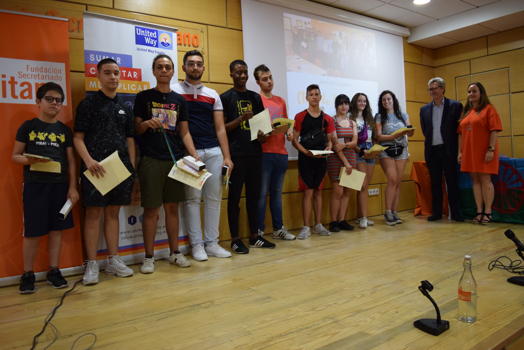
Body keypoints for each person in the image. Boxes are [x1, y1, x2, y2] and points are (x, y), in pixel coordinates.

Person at [12, 82, 79, 294]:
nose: (54, 103)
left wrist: (73, 187)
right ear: (38, 101)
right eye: (49, 99)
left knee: (56, 230)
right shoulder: (28, 126)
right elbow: (15, 156)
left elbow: (71, 161)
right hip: (35, 186)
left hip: (59, 187)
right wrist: (29, 160)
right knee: (32, 232)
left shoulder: (64, 130)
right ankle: (28, 273)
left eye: (58, 100)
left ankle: (54, 270)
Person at [134, 54, 199, 273]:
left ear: (173, 72)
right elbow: (135, 130)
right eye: (160, 67)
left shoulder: (179, 100)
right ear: (154, 71)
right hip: (151, 160)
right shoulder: (143, 97)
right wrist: (145, 124)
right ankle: (149, 257)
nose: (164, 70)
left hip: (175, 160)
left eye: (167, 67)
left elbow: (184, 132)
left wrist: (194, 154)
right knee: (151, 210)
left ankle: (175, 253)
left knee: (173, 208)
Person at [74, 58, 135, 285]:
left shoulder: (125, 107)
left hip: (119, 171)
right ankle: (91, 263)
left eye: (116, 73)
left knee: (113, 214)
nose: (113, 77)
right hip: (95, 170)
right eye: (108, 73)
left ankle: (113, 259)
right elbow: (78, 138)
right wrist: (89, 161)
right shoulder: (88, 104)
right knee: (93, 215)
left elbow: (130, 139)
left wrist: (131, 167)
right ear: (97, 75)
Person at [174, 50, 234, 261]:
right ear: (184, 67)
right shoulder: (175, 92)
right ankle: (196, 245)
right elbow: (181, 129)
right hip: (190, 155)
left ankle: (212, 243)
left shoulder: (212, 94)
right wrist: (192, 154)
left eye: (199, 64)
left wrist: (227, 156)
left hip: (214, 152)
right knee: (192, 200)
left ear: (203, 68)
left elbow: (220, 129)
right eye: (191, 64)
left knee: (213, 199)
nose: (195, 67)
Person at [221, 59, 276, 254]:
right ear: (231, 74)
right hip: (235, 156)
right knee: (234, 198)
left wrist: (264, 135)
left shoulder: (255, 97)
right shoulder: (225, 98)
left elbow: (263, 128)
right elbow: (222, 129)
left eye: (244, 72)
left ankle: (255, 236)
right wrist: (240, 119)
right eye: (238, 72)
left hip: (255, 154)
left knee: (255, 197)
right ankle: (235, 239)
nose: (242, 76)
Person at [253, 64, 295, 240]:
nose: (269, 81)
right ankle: (260, 231)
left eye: (270, 77)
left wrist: (289, 131)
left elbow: (287, 124)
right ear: (257, 82)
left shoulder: (280, 101)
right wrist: (265, 131)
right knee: (262, 194)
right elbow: (255, 131)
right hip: (264, 152)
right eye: (264, 79)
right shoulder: (256, 100)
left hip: (281, 153)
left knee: (277, 194)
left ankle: (278, 228)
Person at [292, 84, 336, 239]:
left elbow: (330, 141)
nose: (314, 97)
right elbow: (295, 140)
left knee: (318, 191)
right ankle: (306, 227)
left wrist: (327, 149)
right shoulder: (300, 116)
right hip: (306, 159)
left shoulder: (328, 119)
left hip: (321, 160)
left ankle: (318, 224)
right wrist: (306, 152)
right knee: (308, 192)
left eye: (317, 94)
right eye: (311, 94)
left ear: (321, 97)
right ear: (306, 97)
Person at [458, 82, 502, 224]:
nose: (471, 94)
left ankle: (488, 212)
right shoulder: (466, 112)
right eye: (469, 91)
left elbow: (494, 130)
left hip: (485, 151)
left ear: (481, 93)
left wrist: (491, 149)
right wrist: (460, 152)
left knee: (485, 180)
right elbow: (460, 134)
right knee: (475, 181)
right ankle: (479, 211)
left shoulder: (489, 110)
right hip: (469, 152)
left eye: (474, 91)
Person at [420, 77, 463, 222]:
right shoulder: (424, 109)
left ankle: (456, 213)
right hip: (432, 151)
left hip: (449, 150)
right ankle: (437, 213)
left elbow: (459, 130)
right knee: (435, 183)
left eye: (435, 88)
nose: (432, 91)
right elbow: (425, 130)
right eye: (430, 89)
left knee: (452, 182)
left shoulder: (455, 106)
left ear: (443, 89)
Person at [375, 90, 414, 226]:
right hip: (386, 150)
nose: (386, 102)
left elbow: (410, 132)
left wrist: (410, 131)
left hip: (401, 150)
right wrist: (393, 136)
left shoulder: (403, 115)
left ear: (393, 100)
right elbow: (379, 136)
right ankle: (387, 211)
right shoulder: (379, 116)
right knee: (391, 179)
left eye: (389, 99)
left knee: (397, 181)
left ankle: (394, 211)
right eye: (384, 100)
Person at [327, 94, 356, 232]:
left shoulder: (352, 122)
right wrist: (345, 162)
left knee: (347, 191)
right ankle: (333, 222)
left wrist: (345, 146)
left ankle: (342, 219)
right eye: (341, 104)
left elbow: (354, 141)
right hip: (336, 159)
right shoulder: (331, 121)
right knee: (337, 191)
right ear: (336, 105)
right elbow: (335, 145)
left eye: (346, 103)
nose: (344, 106)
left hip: (351, 157)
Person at [350, 92, 377, 229]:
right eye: (360, 101)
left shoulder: (369, 118)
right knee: (362, 185)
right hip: (358, 151)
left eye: (365, 101)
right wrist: (360, 150)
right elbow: (350, 140)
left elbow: (373, 137)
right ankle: (364, 218)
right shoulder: (351, 118)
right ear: (355, 102)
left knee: (365, 186)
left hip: (370, 151)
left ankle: (361, 216)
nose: (362, 103)